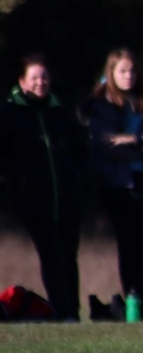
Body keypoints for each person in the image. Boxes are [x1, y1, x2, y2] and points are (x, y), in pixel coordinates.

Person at [0, 54, 88, 321]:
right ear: (22, 81)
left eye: (44, 77)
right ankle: (61, 311)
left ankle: (73, 310)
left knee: (69, 256)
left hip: (67, 197)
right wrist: (21, 179)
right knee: (52, 256)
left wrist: (77, 175)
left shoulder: (61, 111)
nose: (41, 83)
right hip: (35, 200)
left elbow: (81, 149)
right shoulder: (9, 113)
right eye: (35, 78)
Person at [87, 48, 143, 319]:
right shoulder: (102, 107)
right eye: (122, 71)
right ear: (110, 74)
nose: (128, 76)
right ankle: (135, 306)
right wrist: (140, 147)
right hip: (120, 185)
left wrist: (136, 141)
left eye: (132, 71)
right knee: (130, 247)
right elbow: (107, 145)